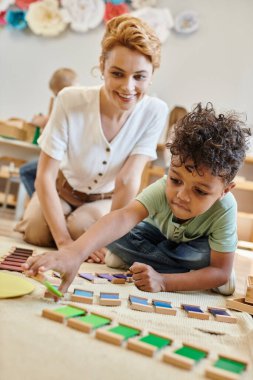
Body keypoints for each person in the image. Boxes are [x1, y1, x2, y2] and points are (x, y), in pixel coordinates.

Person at [23, 103, 251, 295]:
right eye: (175, 180)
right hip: (157, 240)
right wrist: (73, 253)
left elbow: (221, 271)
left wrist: (163, 282)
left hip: (193, 251)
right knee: (109, 234)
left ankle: (172, 271)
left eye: (200, 191)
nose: (181, 196)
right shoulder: (162, 188)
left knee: (206, 260)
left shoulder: (225, 209)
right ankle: (184, 272)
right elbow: (123, 217)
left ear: (225, 190)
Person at [16, 14, 169, 265]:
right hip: (60, 189)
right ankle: (54, 220)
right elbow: (44, 175)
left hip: (104, 200)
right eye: (118, 74)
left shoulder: (156, 111)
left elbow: (128, 180)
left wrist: (110, 242)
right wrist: (65, 244)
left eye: (139, 77)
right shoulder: (70, 99)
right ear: (102, 66)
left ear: (152, 74)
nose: (128, 87)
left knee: (81, 229)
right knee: (37, 230)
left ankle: (74, 226)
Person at [19, 68, 79, 197]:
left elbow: (57, 132)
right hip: (70, 160)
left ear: (60, 91)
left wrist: (44, 121)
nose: (56, 97)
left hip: (65, 161)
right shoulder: (81, 102)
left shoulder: (68, 103)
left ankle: (41, 202)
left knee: (25, 171)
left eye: (56, 93)